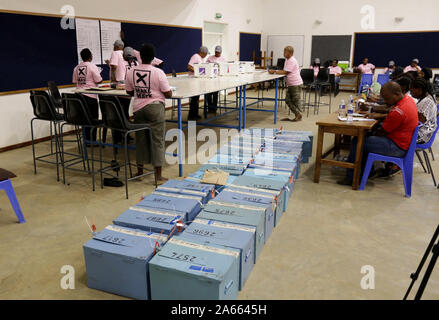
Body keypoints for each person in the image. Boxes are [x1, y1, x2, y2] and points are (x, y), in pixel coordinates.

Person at [337, 81, 418, 185]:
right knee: (366, 138)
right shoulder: (407, 100)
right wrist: (378, 117)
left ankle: (351, 177)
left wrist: (368, 132)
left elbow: (382, 132)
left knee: (358, 141)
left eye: (387, 98)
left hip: (396, 147)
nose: (385, 101)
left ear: (397, 94)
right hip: (403, 142)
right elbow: (392, 116)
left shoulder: (398, 111)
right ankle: (366, 171)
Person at [125, 43, 173, 183]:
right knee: (157, 140)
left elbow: (129, 92)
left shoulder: (131, 71)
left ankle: (139, 172)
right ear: (153, 58)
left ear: (139, 56)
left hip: (138, 109)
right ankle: (158, 176)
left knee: (140, 139)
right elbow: (168, 93)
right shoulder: (158, 72)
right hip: (155, 108)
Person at [72, 48, 103, 141]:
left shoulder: (76, 67)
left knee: (84, 119)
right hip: (90, 96)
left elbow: (74, 81)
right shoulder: (92, 66)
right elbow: (99, 80)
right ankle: (92, 140)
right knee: (93, 119)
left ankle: (86, 140)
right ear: (90, 56)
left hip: (79, 96)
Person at [269, 46, 303, 122]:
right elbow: (285, 70)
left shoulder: (292, 60)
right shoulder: (287, 60)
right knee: (287, 100)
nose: (284, 53)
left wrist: (274, 72)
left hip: (295, 83)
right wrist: (276, 71)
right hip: (291, 84)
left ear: (290, 53)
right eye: (284, 51)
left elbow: (286, 72)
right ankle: (298, 114)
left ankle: (299, 115)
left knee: (295, 100)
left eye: (285, 52)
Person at [410, 78, 437, 144]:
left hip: (421, 135)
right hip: (424, 132)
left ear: (419, 89)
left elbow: (418, 123)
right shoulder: (426, 97)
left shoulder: (426, 102)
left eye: (411, 90)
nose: (410, 93)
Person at [187, 46, 209, 120]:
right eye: (206, 54)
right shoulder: (195, 56)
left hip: (197, 81)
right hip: (193, 81)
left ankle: (195, 114)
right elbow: (189, 66)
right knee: (194, 99)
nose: (206, 55)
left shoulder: (200, 58)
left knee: (196, 99)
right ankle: (191, 116)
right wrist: (198, 71)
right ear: (202, 53)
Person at [205, 45, 226, 114]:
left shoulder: (223, 59)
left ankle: (214, 108)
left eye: (218, 52)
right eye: (216, 52)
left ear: (221, 52)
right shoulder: (210, 58)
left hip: (217, 80)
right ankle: (209, 108)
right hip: (209, 79)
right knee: (208, 94)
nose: (217, 53)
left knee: (215, 94)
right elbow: (205, 66)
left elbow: (224, 69)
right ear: (214, 51)